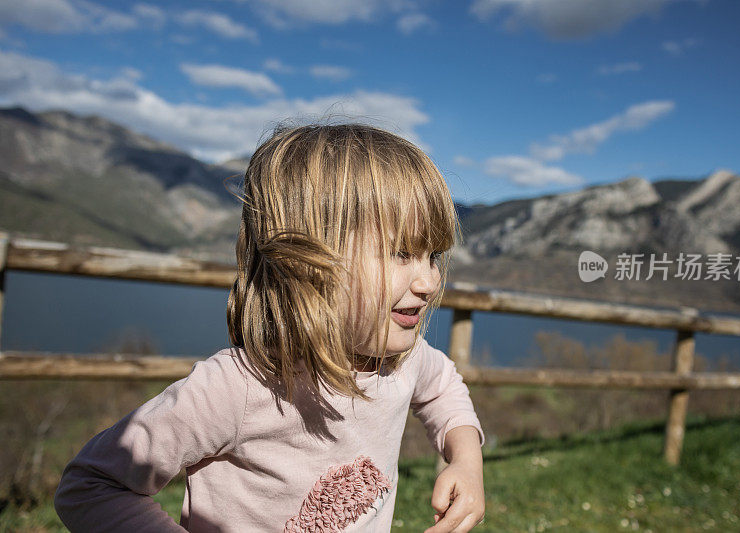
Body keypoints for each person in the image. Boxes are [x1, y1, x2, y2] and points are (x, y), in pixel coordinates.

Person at [54, 123, 485, 532]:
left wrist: (466, 460)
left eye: (432, 255)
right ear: (308, 261)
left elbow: (443, 386)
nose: (429, 282)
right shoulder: (238, 387)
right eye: (401, 252)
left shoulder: (404, 361)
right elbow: (91, 486)